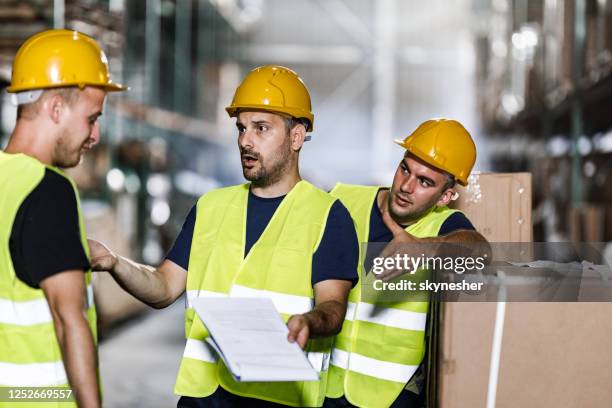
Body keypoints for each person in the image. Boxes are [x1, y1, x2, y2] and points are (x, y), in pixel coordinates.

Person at [89, 65, 359, 407]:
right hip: (204, 398)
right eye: (242, 128)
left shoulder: (328, 216)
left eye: (261, 128)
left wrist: (309, 322)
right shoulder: (211, 207)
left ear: (296, 137)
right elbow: (163, 287)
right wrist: (113, 261)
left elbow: (333, 306)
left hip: (279, 400)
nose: (245, 140)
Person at [0, 29, 126, 408]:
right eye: (92, 118)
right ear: (56, 108)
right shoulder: (49, 189)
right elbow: (69, 321)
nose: (95, 134)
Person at [324, 118, 488, 408]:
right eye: (405, 169)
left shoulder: (444, 226)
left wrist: (423, 249)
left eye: (425, 182)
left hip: (393, 397)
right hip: (326, 389)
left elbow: (480, 251)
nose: (406, 186)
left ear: (446, 196)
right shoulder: (343, 200)